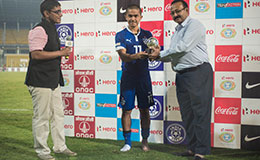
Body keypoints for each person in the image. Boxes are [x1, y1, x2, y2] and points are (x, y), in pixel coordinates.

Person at [149, 0, 213, 160]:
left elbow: (182, 48)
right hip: (183, 75)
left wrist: (160, 55)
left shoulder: (194, 25)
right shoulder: (177, 30)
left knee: (200, 113)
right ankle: (191, 148)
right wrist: (155, 56)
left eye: (178, 11)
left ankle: (201, 151)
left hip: (198, 72)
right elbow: (175, 54)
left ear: (186, 10)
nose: (175, 15)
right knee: (187, 114)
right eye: (172, 12)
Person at [25, 0, 76, 159]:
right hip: (40, 81)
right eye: (57, 11)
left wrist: (61, 52)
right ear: (46, 13)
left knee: (58, 115)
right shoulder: (39, 30)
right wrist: (60, 54)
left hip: (53, 80)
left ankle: (60, 147)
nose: (61, 14)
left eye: (61, 11)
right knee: (42, 117)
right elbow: (36, 54)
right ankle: (42, 151)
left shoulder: (52, 28)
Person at [115, 4, 154, 152]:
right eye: (130, 16)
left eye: (135, 16)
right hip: (128, 78)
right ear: (126, 17)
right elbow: (123, 56)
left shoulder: (147, 34)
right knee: (127, 110)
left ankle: (145, 140)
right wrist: (136, 56)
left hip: (144, 78)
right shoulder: (121, 35)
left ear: (140, 17)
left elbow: (154, 52)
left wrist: (153, 53)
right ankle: (127, 142)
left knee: (145, 110)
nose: (133, 18)